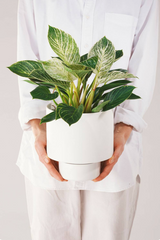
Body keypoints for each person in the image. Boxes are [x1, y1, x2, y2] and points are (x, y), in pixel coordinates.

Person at [16, 0, 159, 239]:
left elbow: (143, 65)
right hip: (49, 150)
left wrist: (122, 129)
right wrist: (38, 127)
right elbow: (29, 59)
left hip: (115, 155)